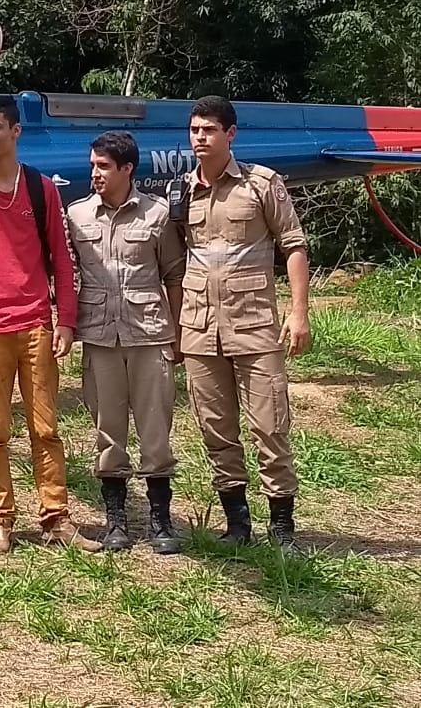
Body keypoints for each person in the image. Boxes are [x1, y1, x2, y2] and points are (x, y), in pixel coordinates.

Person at [0, 94, 101, 555]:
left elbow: (62, 261)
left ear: (15, 132)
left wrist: (65, 321)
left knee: (46, 428)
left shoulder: (40, 189)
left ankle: (56, 518)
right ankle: (0, 523)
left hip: (35, 325)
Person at [178, 95, 311, 547]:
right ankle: (237, 523)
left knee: (270, 426)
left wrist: (298, 312)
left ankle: (282, 526)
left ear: (230, 134)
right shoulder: (182, 190)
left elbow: (293, 245)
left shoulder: (261, 185)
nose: (201, 138)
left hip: (254, 325)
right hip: (198, 328)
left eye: (209, 130)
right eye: (195, 130)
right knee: (215, 428)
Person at [66, 131, 185, 554]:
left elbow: (174, 273)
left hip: (150, 334)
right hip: (99, 338)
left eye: (103, 166)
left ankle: (160, 520)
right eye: (93, 165)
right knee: (107, 433)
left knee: (156, 432)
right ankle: (115, 520)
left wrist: (180, 334)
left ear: (127, 169)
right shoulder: (77, 216)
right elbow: (66, 277)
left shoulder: (156, 215)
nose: (94, 173)